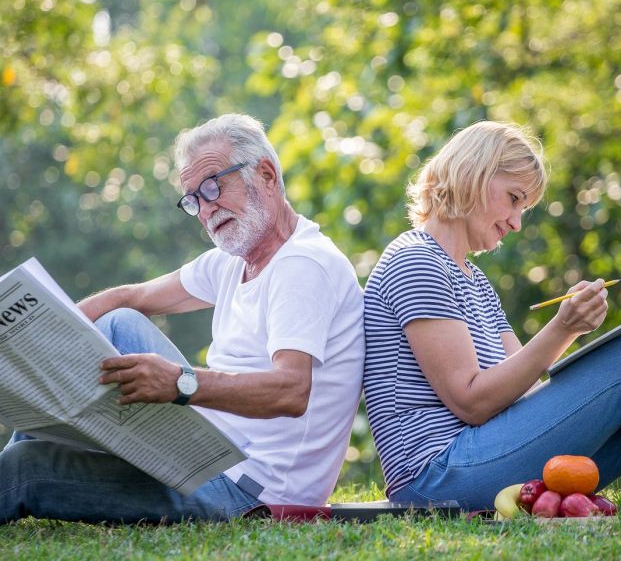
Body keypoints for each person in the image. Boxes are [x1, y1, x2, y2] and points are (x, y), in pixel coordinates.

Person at [0, 113, 365, 523]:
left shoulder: (303, 265)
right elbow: (129, 296)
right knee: (119, 320)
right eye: (194, 199)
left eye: (213, 187)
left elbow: (291, 391)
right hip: (210, 455)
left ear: (265, 174)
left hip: (252, 492)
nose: (207, 209)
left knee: (24, 467)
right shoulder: (235, 261)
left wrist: (179, 382)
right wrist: (30, 335)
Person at [363, 120, 620, 510]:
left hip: (481, 456)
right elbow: (471, 402)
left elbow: (528, 391)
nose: (517, 222)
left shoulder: (475, 280)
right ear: (473, 175)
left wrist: (571, 333)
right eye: (514, 198)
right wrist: (564, 329)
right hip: (435, 475)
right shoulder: (415, 260)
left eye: (524, 208)